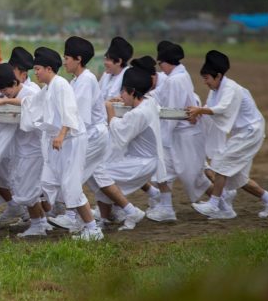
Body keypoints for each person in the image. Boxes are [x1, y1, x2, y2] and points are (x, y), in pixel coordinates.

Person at [187, 51, 268, 219]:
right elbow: (209, 109)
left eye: (207, 78)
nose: (205, 82)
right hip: (242, 132)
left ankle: (214, 203)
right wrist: (198, 114)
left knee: (221, 163)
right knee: (237, 177)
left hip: (251, 131)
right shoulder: (216, 90)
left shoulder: (231, 88)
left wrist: (200, 110)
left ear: (218, 76)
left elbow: (222, 109)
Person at [21, 47, 103, 241]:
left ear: (49, 68)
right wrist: (7, 98)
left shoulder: (61, 85)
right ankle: (63, 219)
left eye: (38, 68)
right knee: (48, 180)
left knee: (71, 185)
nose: (36, 72)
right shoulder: (49, 87)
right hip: (60, 141)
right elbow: (31, 103)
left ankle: (92, 229)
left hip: (71, 141)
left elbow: (70, 111)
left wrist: (61, 134)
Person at [147, 42, 209, 222]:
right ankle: (166, 207)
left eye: (160, 65)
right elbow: (160, 94)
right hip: (179, 133)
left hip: (183, 134)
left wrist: (163, 136)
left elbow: (172, 111)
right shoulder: (179, 75)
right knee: (164, 170)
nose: (160, 69)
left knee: (193, 175)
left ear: (166, 62)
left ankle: (220, 199)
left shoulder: (175, 79)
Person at [96, 67, 163, 230]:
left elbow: (119, 131)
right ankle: (106, 217)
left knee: (100, 172)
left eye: (123, 92)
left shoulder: (138, 113)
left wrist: (110, 109)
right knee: (102, 172)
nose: (121, 96)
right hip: (144, 160)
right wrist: (120, 102)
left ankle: (130, 211)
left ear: (132, 91)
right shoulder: (149, 102)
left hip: (141, 163)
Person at [58, 36, 110, 231]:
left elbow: (76, 115)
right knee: (72, 178)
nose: (64, 62)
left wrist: (61, 135)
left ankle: (82, 223)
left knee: (71, 179)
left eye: (67, 58)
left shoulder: (86, 80)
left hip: (93, 136)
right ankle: (79, 221)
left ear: (78, 59)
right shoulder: (77, 80)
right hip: (87, 135)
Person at [0, 63, 47, 237]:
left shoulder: (30, 92)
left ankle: (38, 225)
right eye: (2, 90)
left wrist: (6, 100)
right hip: (23, 149)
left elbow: (28, 102)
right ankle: (41, 222)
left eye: (7, 89)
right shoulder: (12, 94)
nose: (5, 93)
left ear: (16, 82)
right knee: (23, 186)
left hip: (33, 150)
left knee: (27, 189)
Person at [99, 37, 133, 101]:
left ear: (119, 61)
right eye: (105, 59)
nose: (105, 63)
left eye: (108, 60)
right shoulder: (105, 75)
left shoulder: (129, 76)